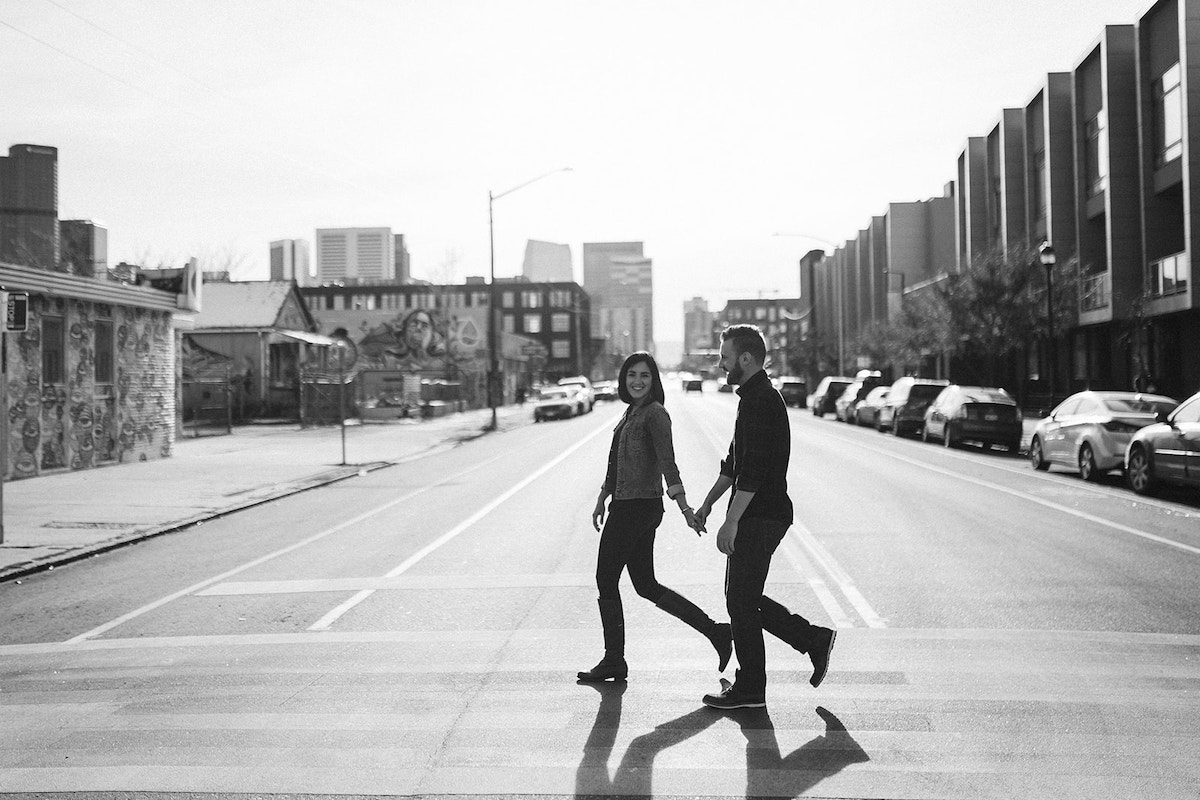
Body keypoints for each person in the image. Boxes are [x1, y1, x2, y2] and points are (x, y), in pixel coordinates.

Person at [694, 324, 836, 709]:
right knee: (743, 599)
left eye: (725, 357)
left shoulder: (761, 401)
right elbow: (734, 462)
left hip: (761, 515)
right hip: (761, 514)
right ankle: (811, 641)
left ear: (745, 358)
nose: (722, 365)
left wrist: (731, 520)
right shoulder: (752, 398)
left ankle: (752, 687)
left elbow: (752, 472)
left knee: (740, 601)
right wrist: (708, 504)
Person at [578, 351, 733, 682]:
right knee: (645, 585)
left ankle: (613, 660)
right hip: (629, 504)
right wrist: (603, 497)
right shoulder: (632, 412)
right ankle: (716, 632)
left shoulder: (655, 415)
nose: (637, 381)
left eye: (644, 376)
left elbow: (668, 463)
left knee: (606, 579)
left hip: (637, 508)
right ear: (624, 379)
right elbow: (617, 462)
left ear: (654, 380)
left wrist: (686, 508)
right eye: (632, 374)